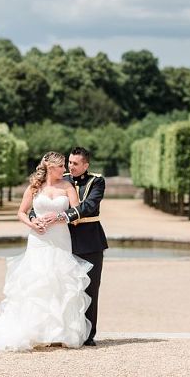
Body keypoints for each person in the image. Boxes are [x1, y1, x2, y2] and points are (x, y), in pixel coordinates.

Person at [0, 151, 93, 352]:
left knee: (60, 282)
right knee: (37, 281)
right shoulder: (34, 187)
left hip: (60, 238)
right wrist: (33, 225)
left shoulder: (68, 187)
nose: (66, 169)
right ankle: (37, 331)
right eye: (61, 166)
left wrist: (58, 217)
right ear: (51, 167)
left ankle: (59, 333)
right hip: (38, 240)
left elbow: (75, 216)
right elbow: (21, 213)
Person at [31, 146, 107, 346]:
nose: (70, 167)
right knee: (61, 288)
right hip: (62, 241)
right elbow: (36, 203)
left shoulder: (96, 181)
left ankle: (87, 335)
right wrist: (35, 219)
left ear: (86, 165)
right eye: (69, 163)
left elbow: (89, 206)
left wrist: (59, 216)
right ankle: (61, 332)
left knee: (89, 288)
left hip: (89, 241)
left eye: (75, 164)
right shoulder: (59, 178)